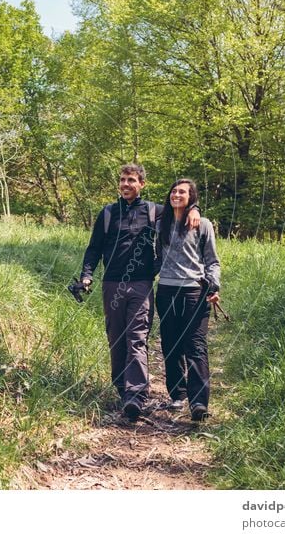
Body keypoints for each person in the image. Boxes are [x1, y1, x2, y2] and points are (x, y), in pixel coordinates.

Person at [79, 164, 200, 421]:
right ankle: (123, 389)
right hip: (112, 284)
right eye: (122, 180)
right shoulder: (108, 213)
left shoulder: (153, 211)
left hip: (142, 284)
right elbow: (93, 248)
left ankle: (136, 396)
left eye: (131, 180)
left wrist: (196, 209)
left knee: (136, 337)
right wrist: (86, 275)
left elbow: (181, 205)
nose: (126, 184)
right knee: (116, 338)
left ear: (141, 184)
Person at [155, 178, 220, 422]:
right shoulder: (160, 223)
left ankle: (199, 402)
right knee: (171, 345)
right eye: (174, 191)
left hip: (194, 291)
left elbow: (212, 260)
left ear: (191, 197)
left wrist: (213, 285)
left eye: (182, 192)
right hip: (166, 291)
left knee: (196, 347)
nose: (176, 195)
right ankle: (177, 394)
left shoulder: (202, 224)